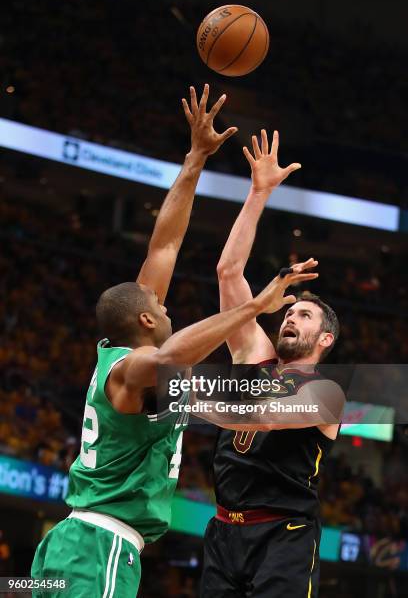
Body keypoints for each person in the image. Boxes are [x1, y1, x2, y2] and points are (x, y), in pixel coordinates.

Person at [30, 83, 240, 597]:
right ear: (145, 322)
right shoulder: (137, 368)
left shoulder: (122, 355)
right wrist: (251, 308)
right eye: (161, 307)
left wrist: (195, 159)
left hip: (75, 543)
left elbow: (165, 244)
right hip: (99, 548)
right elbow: (173, 355)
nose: (165, 306)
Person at [198, 130, 345, 598]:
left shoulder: (326, 393)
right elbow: (228, 272)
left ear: (324, 339)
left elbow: (265, 416)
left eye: (303, 315)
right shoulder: (254, 359)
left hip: (285, 534)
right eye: (287, 311)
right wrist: (259, 193)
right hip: (223, 530)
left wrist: (181, 394)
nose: (289, 317)